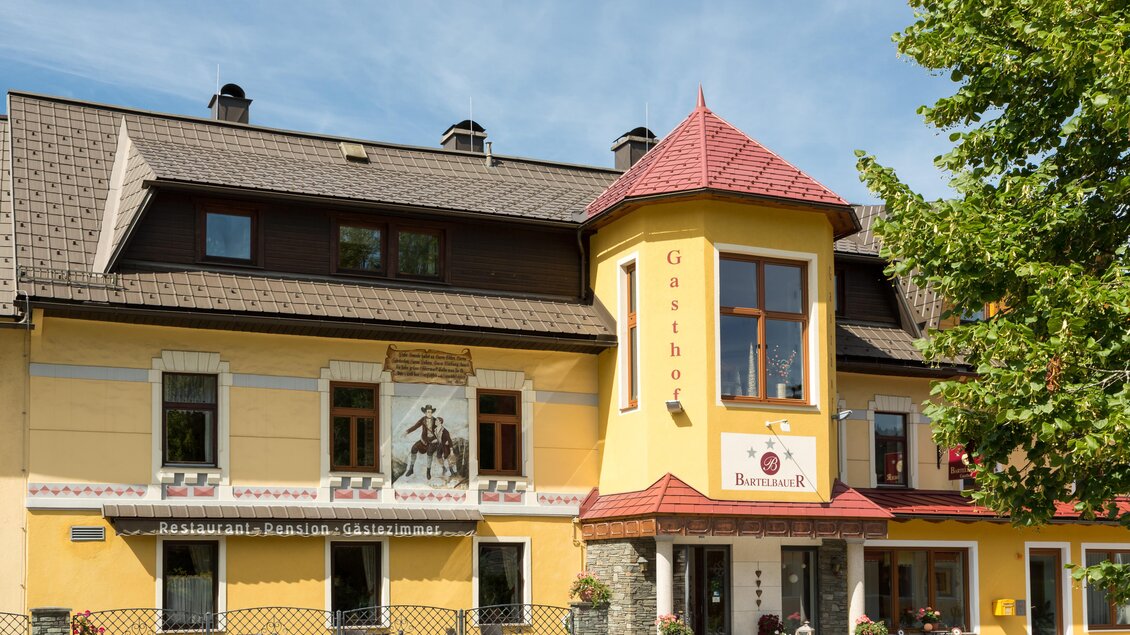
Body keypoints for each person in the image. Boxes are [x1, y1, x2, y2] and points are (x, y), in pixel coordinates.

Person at [404, 404, 437, 479]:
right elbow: (415, 426)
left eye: (431, 412)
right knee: (414, 448)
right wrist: (407, 431)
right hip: (424, 440)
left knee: (429, 453)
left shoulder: (435, 420)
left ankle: (428, 472)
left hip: (432, 441)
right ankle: (411, 469)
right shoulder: (423, 419)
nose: (429, 413)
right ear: (425, 413)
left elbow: (439, 431)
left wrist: (436, 439)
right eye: (428, 412)